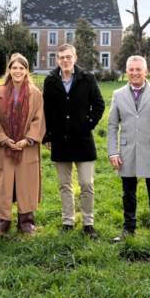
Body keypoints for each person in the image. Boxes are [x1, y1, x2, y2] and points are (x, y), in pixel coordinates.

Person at [107, 55, 150, 243]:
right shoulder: (118, 94)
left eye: (138, 69)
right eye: (131, 69)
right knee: (128, 193)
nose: (135, 73)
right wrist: (113, 151)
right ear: (126, 72)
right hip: (126, 152)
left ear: (146, 72)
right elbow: (112, 126)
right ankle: (129, 229)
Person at [43, 43, 105, 239]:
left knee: (86, 183)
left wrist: (88, 124)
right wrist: (47, 135)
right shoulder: (50, 81)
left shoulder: (87, 79)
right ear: (57, 60)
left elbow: (99, 104)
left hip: (83, 140)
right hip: (60, 140)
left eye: (68, 57)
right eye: (61, 57)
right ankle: (68, 221)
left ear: (75, 58)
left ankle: (88, 222)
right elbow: (46, 110)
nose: (65, 60)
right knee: (65, 184)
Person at [0, 53, 46, 235]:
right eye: (14, 68)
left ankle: (26, 221)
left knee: (26, 183)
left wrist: (26, 140)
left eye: (22, 68)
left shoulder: (35, 94)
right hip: (4, 147)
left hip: (26, 147)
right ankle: (2, 221)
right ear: (9, 70)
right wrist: (4, 139)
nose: (18, 71)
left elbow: (39, 119)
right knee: (2, 185)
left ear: (27, 70)